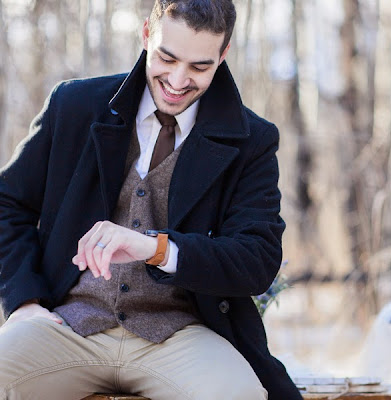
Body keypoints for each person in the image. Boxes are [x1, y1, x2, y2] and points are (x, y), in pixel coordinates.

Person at [0, 1, 302, 399]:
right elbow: (8, 204)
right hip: (66, 326)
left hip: (182, 336)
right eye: (167, 58)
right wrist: (23, 300)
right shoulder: (73, 105)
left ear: (223, 54)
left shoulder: (253, 140)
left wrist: (157, 249)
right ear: (147, 34)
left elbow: (257, 259)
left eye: (199, 67)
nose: (177, 80)